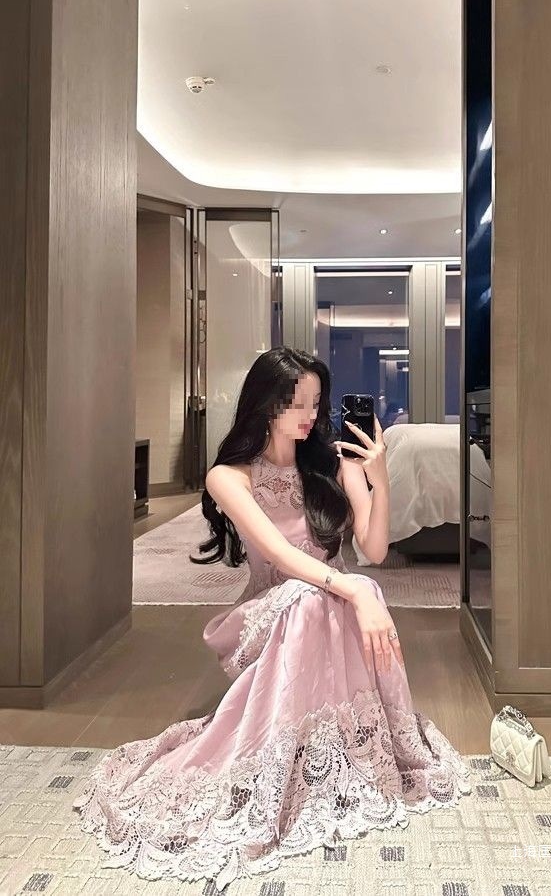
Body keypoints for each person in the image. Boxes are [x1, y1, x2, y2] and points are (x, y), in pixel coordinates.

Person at [72, 346, 472, 890]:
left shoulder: (333, 465)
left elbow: (375, 550)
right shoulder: (229, 477)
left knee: (344, 592)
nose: (308, 414)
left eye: (315, 402)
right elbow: (281, 557)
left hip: (331, 607)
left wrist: (379, 479)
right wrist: (355, 590)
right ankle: (292, 756)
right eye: (294, 402)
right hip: (269, 612)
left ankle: (328, 750)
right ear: (264, 403)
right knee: (321, 596)